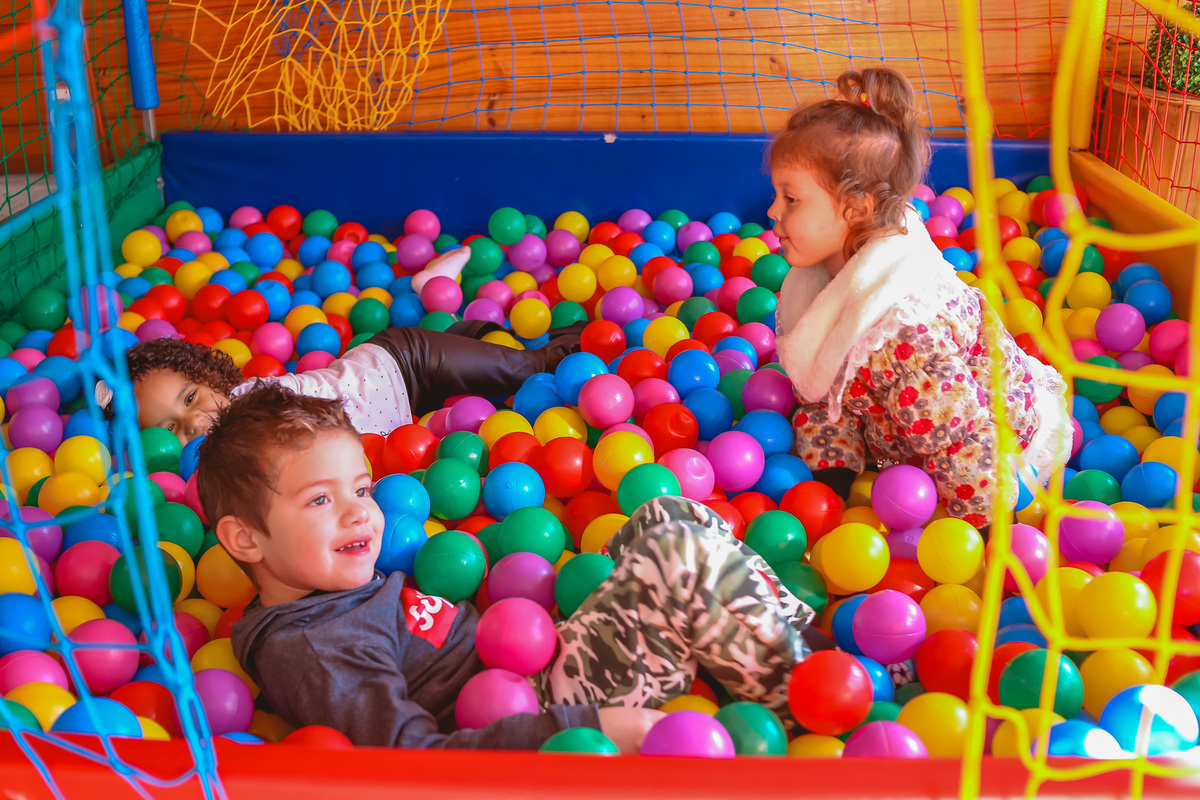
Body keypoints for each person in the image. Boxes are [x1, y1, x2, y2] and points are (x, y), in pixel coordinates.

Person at [195, 385, 816, 750]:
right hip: (541, 716)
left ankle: (800, 648)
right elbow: (414, 762)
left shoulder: (326, 591)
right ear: (244, 539)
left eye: (362, 490)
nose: (361, 515)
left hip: (530, 657)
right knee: (680, 555)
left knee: (664, 513)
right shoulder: (315, 645)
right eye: (322, 501)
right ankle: (810, 705)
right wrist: (593, 725)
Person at [768, 67, 1071, 527]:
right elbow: (825, 391)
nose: (773, 211)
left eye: (791, 199)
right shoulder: (827, 287)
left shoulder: (905, 335)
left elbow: (962, 439)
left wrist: (982, 534)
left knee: (948, 435)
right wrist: (830, 484)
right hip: (905, 434)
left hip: (989, 448)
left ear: (856, 207)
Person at [99, 248, 584, 444]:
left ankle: (584, 339)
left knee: (531, 371)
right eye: (170, 428)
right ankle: (447, 307)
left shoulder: (257, 403)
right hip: (412, 411)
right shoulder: (216, 469)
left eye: (189, 399)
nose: (194, 422)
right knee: (484, 374)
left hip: (404, 365)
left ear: (205, 378)